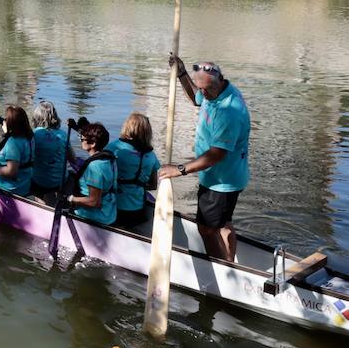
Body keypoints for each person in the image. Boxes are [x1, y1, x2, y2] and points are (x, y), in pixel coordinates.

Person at [157, 58, 251, 262]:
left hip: (221, 180)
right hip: (227, 175)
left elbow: (217, 154)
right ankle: (228, 261)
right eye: (201, 89)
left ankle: (221, 270)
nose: (203, 95)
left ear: (220, 81)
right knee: (223, 223)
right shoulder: (215, 91)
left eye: (206, 90)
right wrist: (182, 74)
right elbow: (196, 98)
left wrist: (179, 169)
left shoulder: (229, 112)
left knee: (207, 229)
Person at [107, 112, 160, 230]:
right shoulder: (151, 155)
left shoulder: (115, 147)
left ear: (127, 127)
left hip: (114, 206)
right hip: (138, 209)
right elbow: (153, 185)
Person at [67, 120, 117, 226]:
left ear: (93, 143)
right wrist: (75, 126)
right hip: (109, 212)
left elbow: (94, 202)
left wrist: (71, 199)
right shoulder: (109, 159)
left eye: (82, 139)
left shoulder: (94, 167)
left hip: (95, 217)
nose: (80, 140)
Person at [29, 101, 76, 204]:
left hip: (39, 181)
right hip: (59, 181)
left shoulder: (34, 135)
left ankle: (40, 200)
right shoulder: (63, 134)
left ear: (36, 118)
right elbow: (73, 159)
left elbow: (29, 158)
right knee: (71, 174)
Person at [0, 105, 35, 196]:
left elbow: (11, 171)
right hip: (24, 184)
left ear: (11, 124)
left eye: (7, 119)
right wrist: (0, 120)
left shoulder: (13, 142)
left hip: (8, 188)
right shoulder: (29, 137)